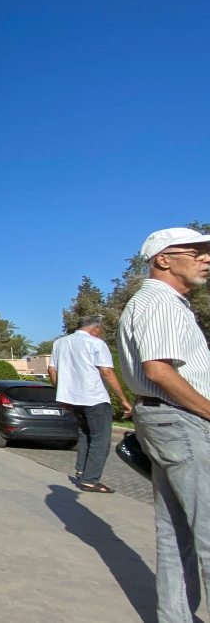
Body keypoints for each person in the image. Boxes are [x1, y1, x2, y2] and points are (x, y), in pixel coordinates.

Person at [118, 227, 210, 622]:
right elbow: (158, 369)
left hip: (165, 420)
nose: (207, 258)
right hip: (181, 421)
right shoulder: (161, 302)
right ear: (164, 259)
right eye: (198, 251)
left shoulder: (160, 302)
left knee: (176, 535)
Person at [47, 315, 132, 493]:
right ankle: (91, 480)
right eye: (101, 330)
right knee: (101, 439)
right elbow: (107, 372)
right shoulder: (96, 344)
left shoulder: (60, 343)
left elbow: (52, 369)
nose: (101, 334)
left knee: (85, 434)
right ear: (94, 329)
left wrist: (61, 393)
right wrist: (124, 399)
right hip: (94, 398)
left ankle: (81, 470)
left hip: (72, 399)